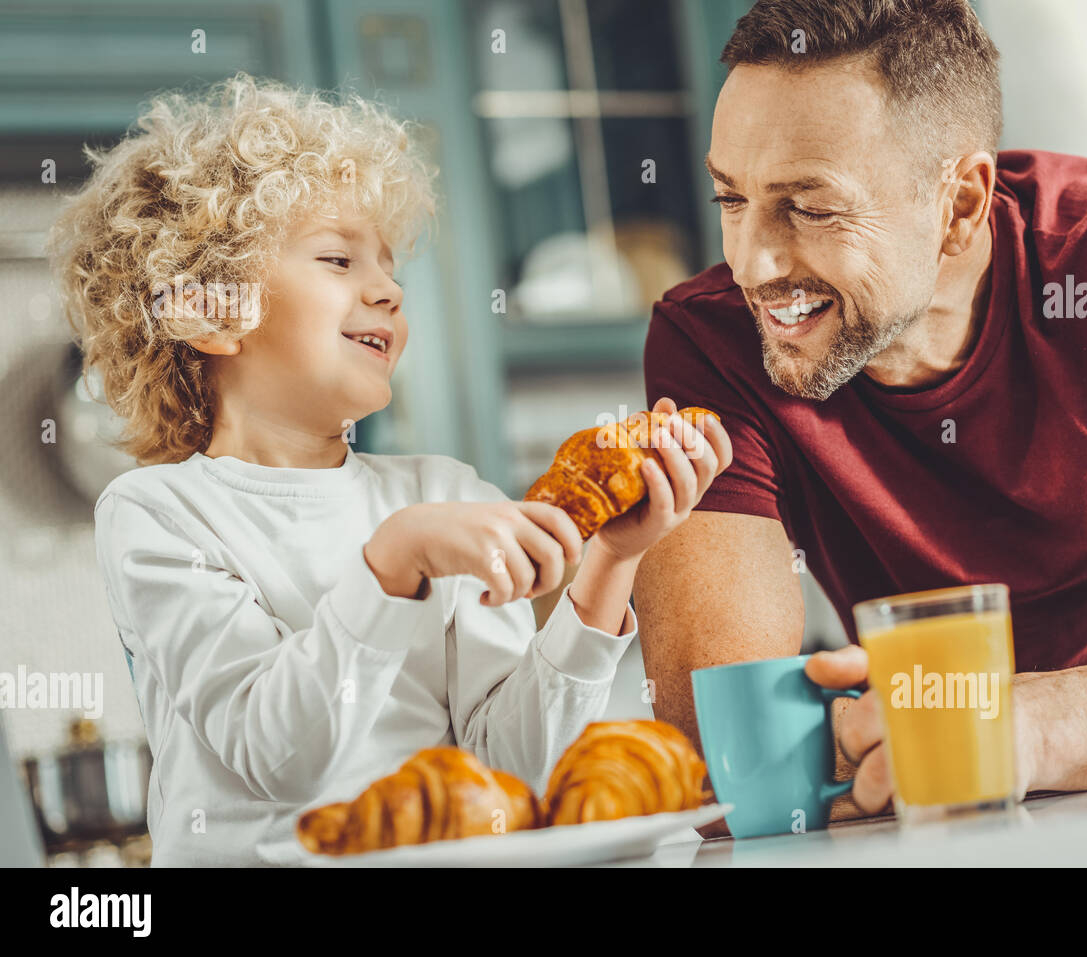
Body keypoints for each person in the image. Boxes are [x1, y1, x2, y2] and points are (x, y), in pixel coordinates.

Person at [635, 0, 1087, 831]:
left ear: (958, 207)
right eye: (730, 199)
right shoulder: (710, 341)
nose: (751, 262)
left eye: (810, 207)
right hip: (952, 816)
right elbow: (718, 767)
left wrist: (1035, 723)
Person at [51, 73, 731, 865]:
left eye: (390, 265)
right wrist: (393, 563)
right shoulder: (157, 512)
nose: (389, 290)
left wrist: (612, 561)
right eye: (339, 259)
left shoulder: (442, 493)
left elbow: (514, 774)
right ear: (209, 309)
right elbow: (276, 754)